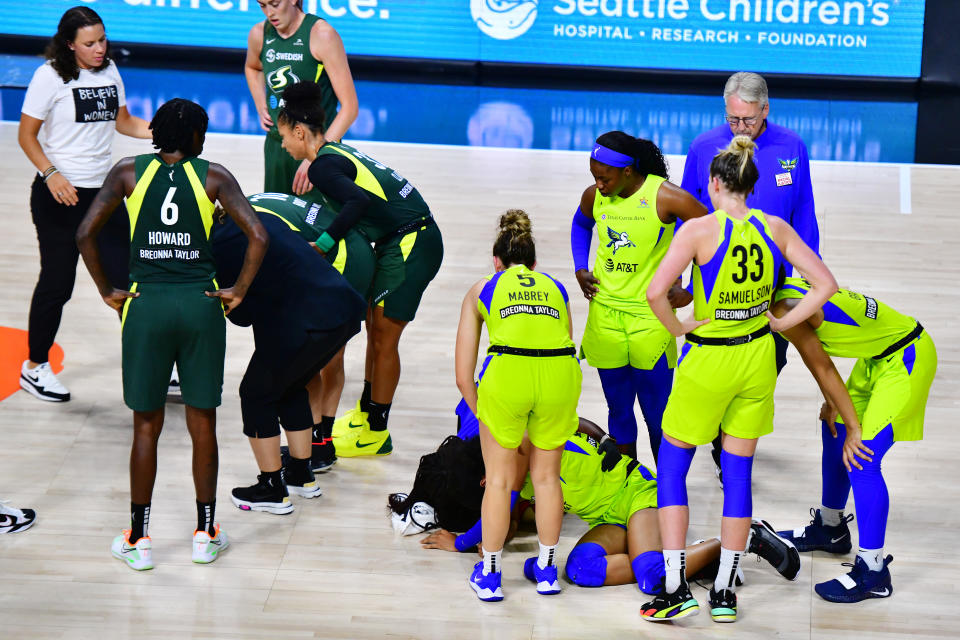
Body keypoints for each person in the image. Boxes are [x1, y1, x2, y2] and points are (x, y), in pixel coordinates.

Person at [642, 136, 837, 622]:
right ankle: (725, 593)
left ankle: (673, 588)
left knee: (673, 467)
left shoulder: (699, 231)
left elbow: (654, 293)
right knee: (739, 475)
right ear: (751, 184)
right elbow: (827, 285)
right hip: (757, 359)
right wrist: (784, 324)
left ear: (713, 183)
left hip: (709, 360)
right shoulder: (775, 227)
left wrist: (680, 329)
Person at [76, 99, 269, 570]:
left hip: (146, 306)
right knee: (203, 423)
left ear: (157, 132)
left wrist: (107, 289)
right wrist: (238, 291)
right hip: (201, 304)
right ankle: (205, 534)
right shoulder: (214, 176)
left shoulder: (127, 171)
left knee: (147, 425)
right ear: (197, 137)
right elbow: (259, 236)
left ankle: (139, 538)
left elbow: (85, 233)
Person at [390, 413, 801, 599]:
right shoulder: (513, 451)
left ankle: (740, 541)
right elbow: (510, 523)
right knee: (580, 571)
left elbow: (504, 512)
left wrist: (461, 543)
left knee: (651, 578)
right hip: (608, 516)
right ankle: (699, 562)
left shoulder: (515, 455)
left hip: (639, 496)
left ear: (486, 479)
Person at [275, 81, 443, 458]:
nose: (283, 145)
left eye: (284, 136)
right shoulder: (335, 151)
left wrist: (322, 245)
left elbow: (358, 201)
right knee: (373, 326)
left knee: (384, 336)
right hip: (399, 238)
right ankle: (368, 415)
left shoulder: (321, 167)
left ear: (300, 132)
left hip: (412, 240)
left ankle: (377, 432)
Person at [681, 72, 820, 479]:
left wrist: (809, 272)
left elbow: (804, 213)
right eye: (733, 120)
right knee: (715, 369)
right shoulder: (704, 147)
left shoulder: (792, 147)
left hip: (772, 290)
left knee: (768, 364)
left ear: (766, 110)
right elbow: (686, 212)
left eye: (747, 120)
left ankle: (732, 442)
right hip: (715, 292)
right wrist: (679, 280)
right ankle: (725, 447)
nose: (740, 129)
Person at [769, 278, 937, 603]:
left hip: (907, 358)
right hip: (876, 358)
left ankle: (874, 572)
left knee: (862, 457)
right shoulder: (786, 286)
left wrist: (855, 427)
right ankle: (831, 529)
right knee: (834, 430)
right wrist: (836, 408)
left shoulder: (785, 308)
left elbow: (821, 366)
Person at [17, 5, 151, 402]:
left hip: (104, 194)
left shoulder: (109, 70)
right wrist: (51, 173)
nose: (98, 48)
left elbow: (123, 121)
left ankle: (153, 364)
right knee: (57, 284)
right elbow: (27, 136)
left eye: (102, 39)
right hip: (59, 195)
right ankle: (35, 367)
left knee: (129, 283)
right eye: (89, 43)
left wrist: (162, 130)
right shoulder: (49, 76)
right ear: (70, 44)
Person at [455, 210, 581, 601]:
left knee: (499, 480)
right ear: (534, 264)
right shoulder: (556, 288)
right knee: (546, 478)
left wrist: (487, 414)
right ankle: (546, 571)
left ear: (496, 261)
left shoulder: (484, 287)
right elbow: (565, 346)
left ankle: (490, 576)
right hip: (560, 377)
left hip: (508, 376)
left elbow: (463, 376)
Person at [211, 207, 366, 515]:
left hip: (306, 319)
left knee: (255, 394)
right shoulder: (258, 217)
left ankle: (271, 488)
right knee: (292, 386)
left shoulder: (217, 245)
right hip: (343, 309)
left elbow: (240, 314)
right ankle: (300, 473)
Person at [571, 131, 707, 462]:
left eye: (604, 178)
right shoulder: (594, 196)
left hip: (651, 318)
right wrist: (580, 267)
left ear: (629, 171)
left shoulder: (665, 197)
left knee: (658, 416)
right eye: (594, 177)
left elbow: (715, 234)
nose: (599, 185)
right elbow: (580, 224)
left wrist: (690, 290)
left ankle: (668, 494)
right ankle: (628, 487)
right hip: (605, 315)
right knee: (618, 409)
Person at [246, 191, 375, 471]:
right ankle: (321, 441)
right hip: (356, 248)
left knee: (312, 356)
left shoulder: (244, 217)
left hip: (340, 254)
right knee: (326, 357)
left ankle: (318, 445)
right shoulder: (251, 201)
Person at [244, 0, 357, 194]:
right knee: (277, 219)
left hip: (316, 147)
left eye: (275, 4)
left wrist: (318, 155)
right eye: (263, 6)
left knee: (319, 221)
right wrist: (260, 103)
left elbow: (350, 108)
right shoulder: (259, 33)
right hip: (277, 146)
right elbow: (252, 67)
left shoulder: (322, 35)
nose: (269, 13)